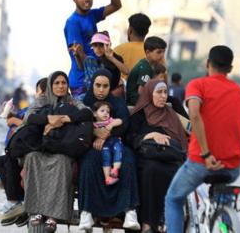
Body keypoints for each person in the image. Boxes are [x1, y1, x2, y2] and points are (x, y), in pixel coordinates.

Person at [165, 45, 240, 233]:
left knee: (173, 198)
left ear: (207, 64)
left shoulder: (198, 85)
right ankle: (225, 220)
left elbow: (194, 115)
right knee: (223, 195)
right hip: (231, 165)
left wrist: (206, 153)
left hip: (201, 162)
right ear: (230, 68)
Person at [23, 71, 93, 232]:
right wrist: (48, 119)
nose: (61, 86)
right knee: (32, 158)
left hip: (63, 147)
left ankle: (54, 216)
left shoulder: (73, 101)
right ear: (50, 85)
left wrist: (64, 119)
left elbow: (87, 113)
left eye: (63, 83)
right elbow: (28, 117)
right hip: (42, 147)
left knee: (62, 162)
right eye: (57, 83)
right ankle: (36, 211)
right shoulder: (42, 100)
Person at [78, 69, 140, 231]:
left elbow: (125, 123)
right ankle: (86, 212)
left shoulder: (117, 102)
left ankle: (130, 211)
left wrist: (105, 135)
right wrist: (94, 132)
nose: (101, 89)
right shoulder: (85, 101)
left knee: (127, 160)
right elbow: (80, 123)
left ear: (110, 87)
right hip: (93, 146)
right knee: (88, 163)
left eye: (105, 86)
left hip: (116, 143)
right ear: (92, 85)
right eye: (97, 85)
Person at [127, 79, 188, 233]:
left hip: (170, 158)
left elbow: (185, 136)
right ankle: (147, 223)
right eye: (159, 92)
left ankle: (164, 220)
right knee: (151, 171)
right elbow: (130, 137)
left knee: (173, 171)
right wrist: (150, 135)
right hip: (147, 158)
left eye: (165, 92)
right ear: (149, 94)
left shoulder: (172, 115)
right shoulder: (140, 114)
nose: (163, 96)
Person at [0, 77, 48, 222]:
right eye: (40, 92)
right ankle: (18, 201)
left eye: (43, 92)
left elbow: (36, 123)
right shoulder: (31, 107)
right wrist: (9, 114)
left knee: (11, 158)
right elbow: (17, 118)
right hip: (24, 145)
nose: (41, 95)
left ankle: (15, 201)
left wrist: (16, 121)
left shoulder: (47, 107)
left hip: (36, 147)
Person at [64, 0, 122, 99]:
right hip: (82, 81)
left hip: (96, 79)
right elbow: (79, 55)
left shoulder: (91, 14)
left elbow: (116, 5)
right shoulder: (73, 23)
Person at [84, 31, 129, 95]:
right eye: (95, 45)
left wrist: (111, 58)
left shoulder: (114, 57)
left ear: (108, 45)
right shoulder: (95, 59)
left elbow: (126, 71)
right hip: (97, 92)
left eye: (101, 45)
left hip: (111, 92)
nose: (98, 48)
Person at [126, 36, 166, 106]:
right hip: (135, 102)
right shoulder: (145, 68)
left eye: (163, 52)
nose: (162, 55)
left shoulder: (150, 65)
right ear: (148, 53)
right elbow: (141, 92)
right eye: (159, 52)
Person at [92, 101, 124, 185]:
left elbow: (120, 121)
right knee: (106, 157)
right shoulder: (94, 125)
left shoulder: (110, 121)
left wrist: (111, 124)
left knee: (118, 151)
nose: (105, 113)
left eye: (107, 111)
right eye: (102, 111)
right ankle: (107, 178)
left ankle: (115, 169)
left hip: (115, 141)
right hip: (104, 144)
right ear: (95, 114)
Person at [114, 13, 152, 80]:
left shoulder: (118, 50)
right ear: (147, 32)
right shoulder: (153, 52)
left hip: (122, 89)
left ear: (130, 30)